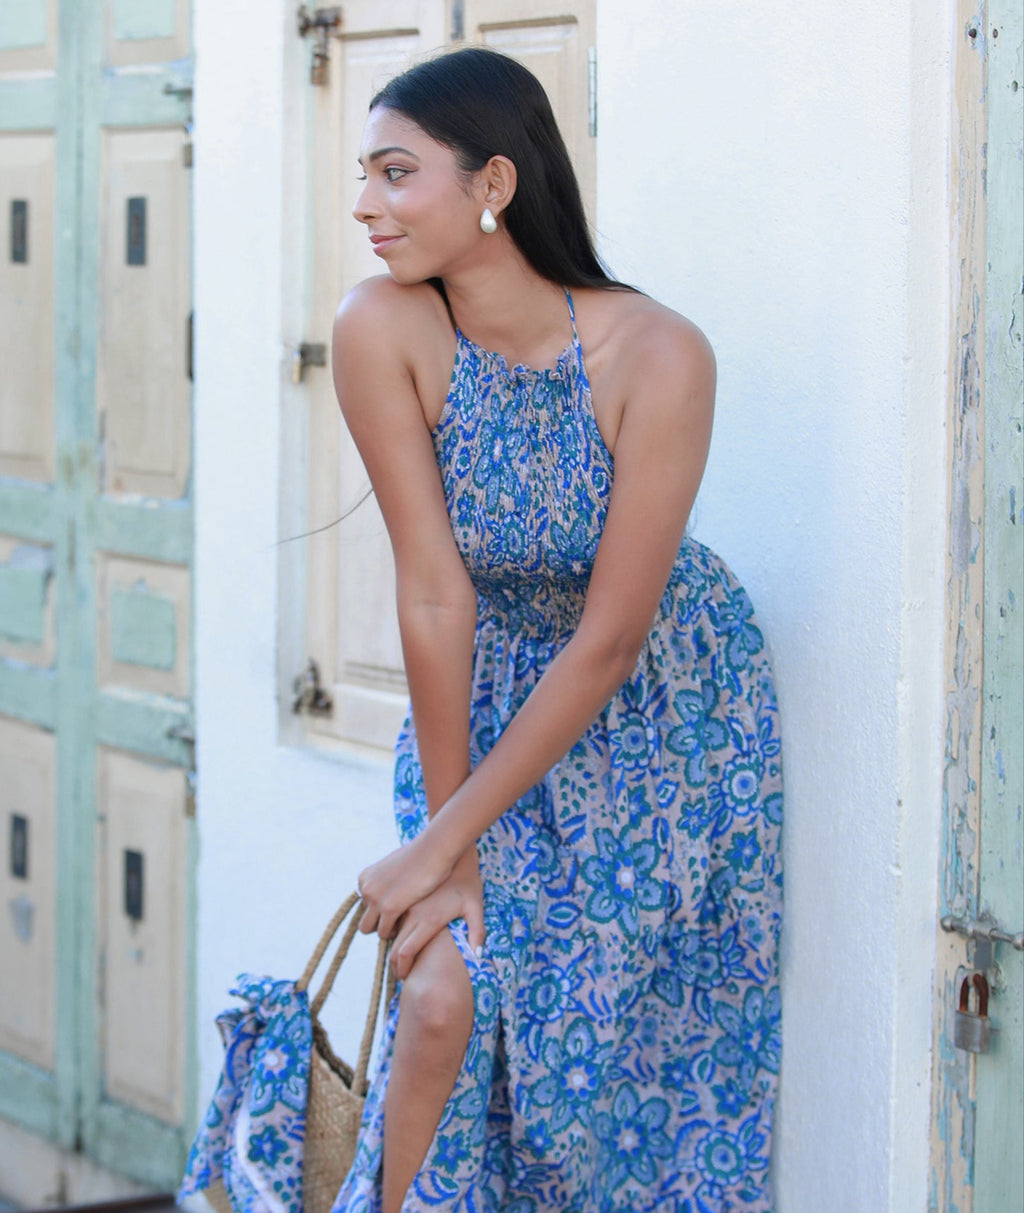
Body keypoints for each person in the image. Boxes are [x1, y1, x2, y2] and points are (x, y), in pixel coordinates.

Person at [329, 46, 782, 1213]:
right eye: (363, 175)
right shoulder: (383, 328)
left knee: (616, 1064)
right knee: (442, 997)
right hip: (480, 691)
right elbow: (435, 592)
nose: (365, 205)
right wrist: (449, 845)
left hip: (663, 713)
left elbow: (613, 638)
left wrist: (439, 844)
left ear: (491, 185)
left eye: (394, 173)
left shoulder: (657, 353)